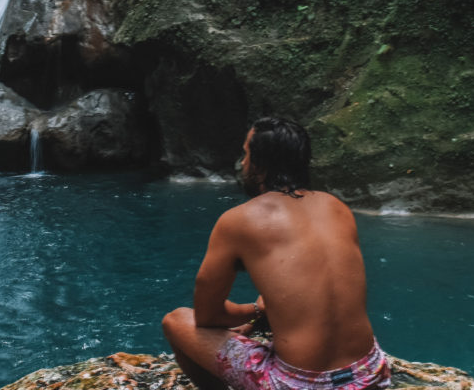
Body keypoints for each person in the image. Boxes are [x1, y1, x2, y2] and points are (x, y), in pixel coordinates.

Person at [161, 117, 390, 390]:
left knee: (176, 320)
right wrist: (263, 313)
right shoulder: (337, 207)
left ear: (258, 165)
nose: (243, 163)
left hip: (297, 384)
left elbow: (207, 316)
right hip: (367, 374)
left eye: (246, 154)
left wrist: (256, 310)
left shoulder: (238, 221)